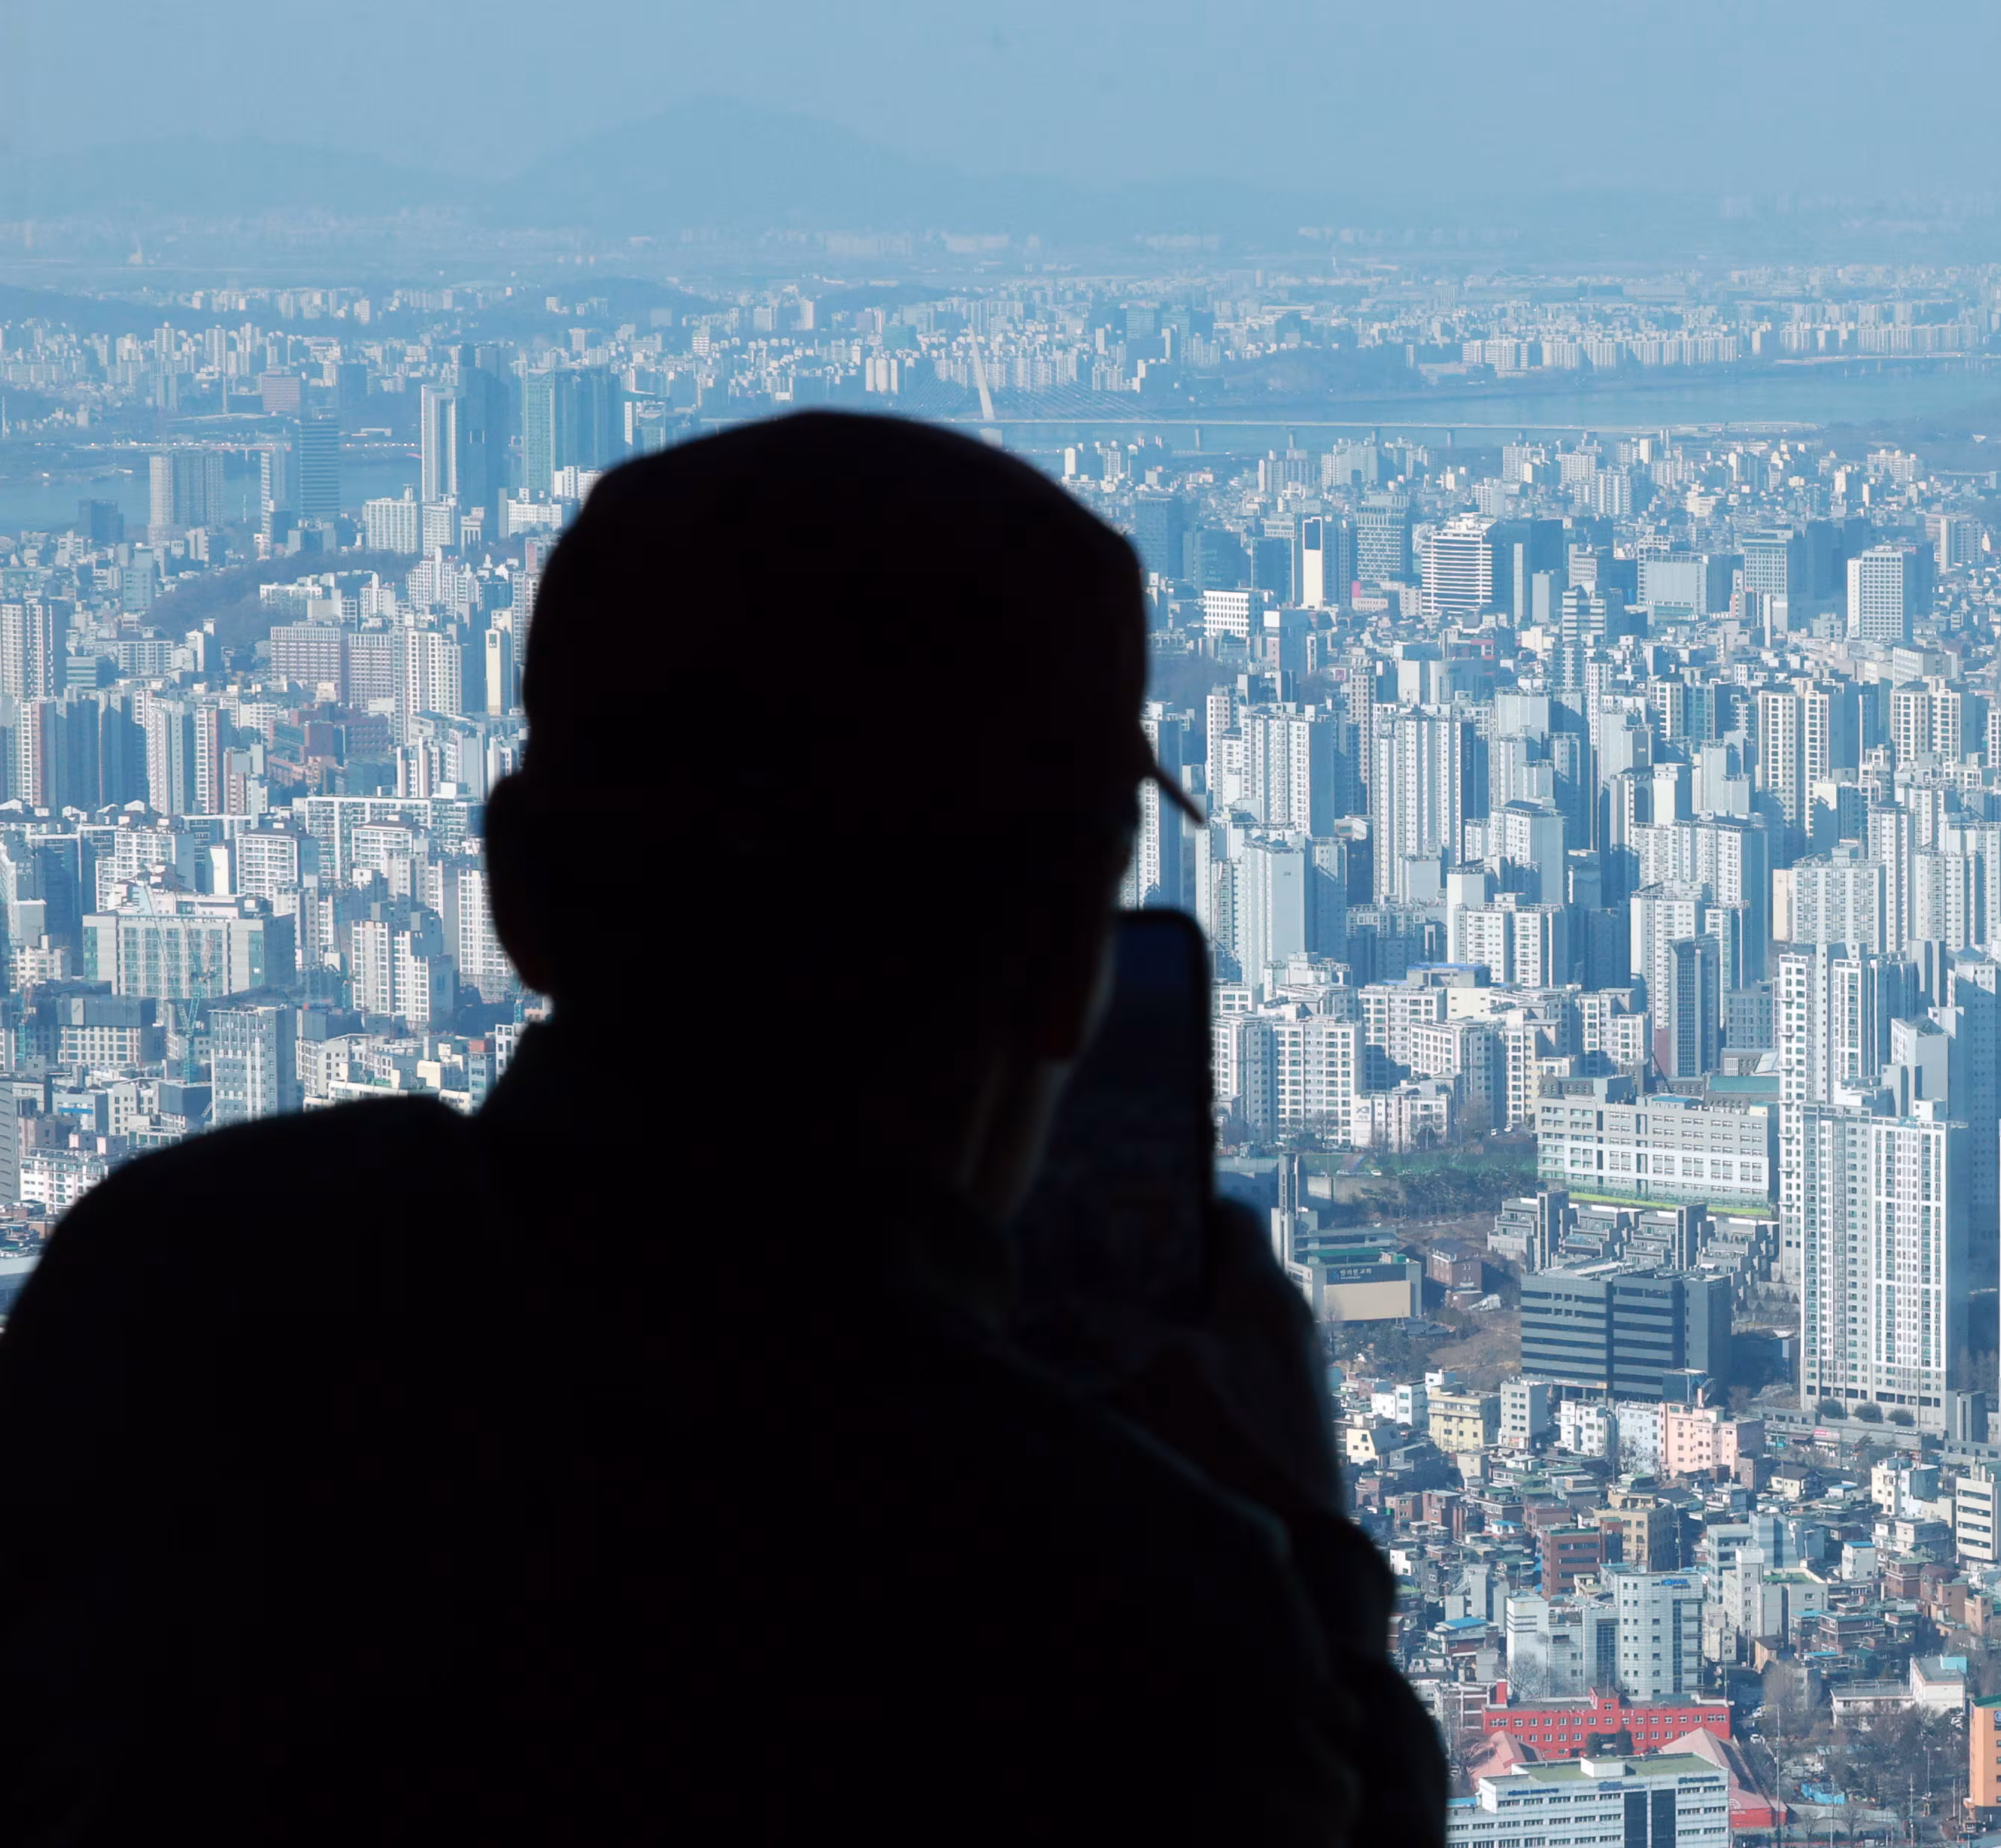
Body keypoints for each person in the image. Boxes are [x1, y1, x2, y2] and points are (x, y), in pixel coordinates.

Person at [0, 412, 1439, 1844]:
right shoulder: (1127, 1615)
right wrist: (1302, 1552)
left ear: (517, 891)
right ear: (1072, 974)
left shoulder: (174, 1290)